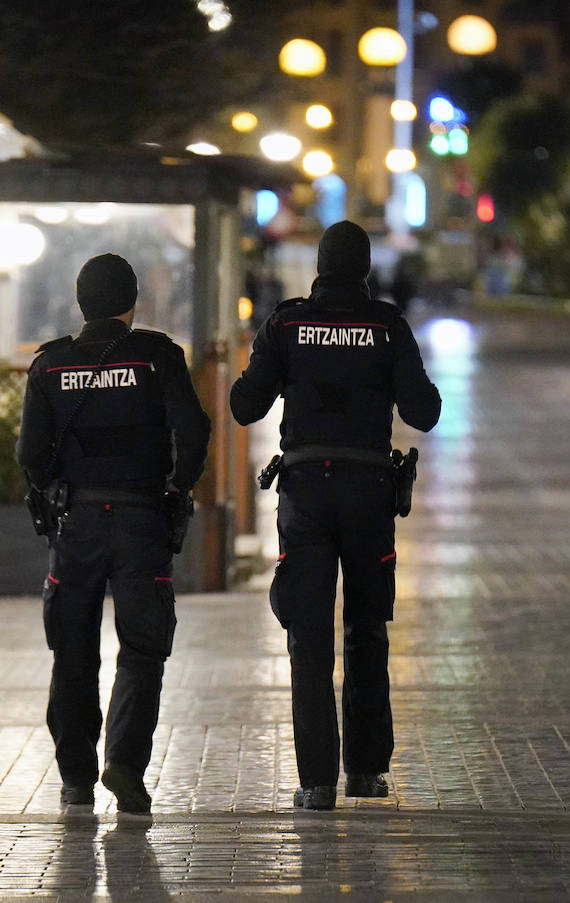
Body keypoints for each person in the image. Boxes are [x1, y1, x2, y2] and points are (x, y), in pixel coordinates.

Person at [229, 221, 441, 810]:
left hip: (306, 494)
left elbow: (245, 406)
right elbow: (424, 413)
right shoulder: (387, 325)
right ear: (367, 269)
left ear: (319, 268)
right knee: (367, 631)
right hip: (369, 493)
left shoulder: (287, 322)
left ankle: (316, 782)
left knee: (309, 635)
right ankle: (368, 772)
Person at [16, 253, 211, 816]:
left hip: (75, 525)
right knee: (143, 648)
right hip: (141, 520)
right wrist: (179, 485)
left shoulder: (50, 365)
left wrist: (56, 487)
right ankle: (125, 764)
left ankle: (76, 780)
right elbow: (193, 429)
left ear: (81, 303)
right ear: (133, 303)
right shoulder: (157, 357)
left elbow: (30, 452)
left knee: (73, 652)